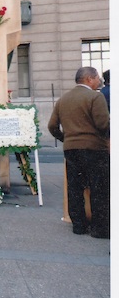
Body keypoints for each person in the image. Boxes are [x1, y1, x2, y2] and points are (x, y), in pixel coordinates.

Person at [48, 66, 110, 239]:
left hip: (71, 149)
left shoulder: (63, 100)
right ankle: (100, 228)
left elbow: (52, 126)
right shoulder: (95, 97)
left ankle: (79, 225)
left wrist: (65, 138)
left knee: (75, 188)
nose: (100, 81)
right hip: (94, 148)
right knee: (100, 189)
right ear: (89, 79)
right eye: (97, 77)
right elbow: (103, 124)